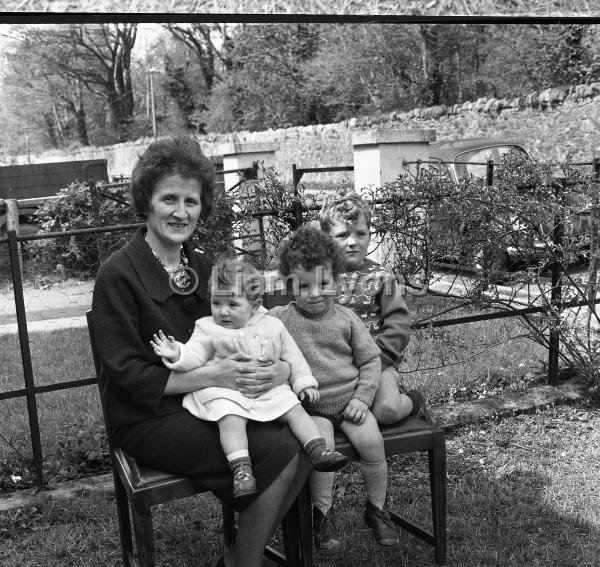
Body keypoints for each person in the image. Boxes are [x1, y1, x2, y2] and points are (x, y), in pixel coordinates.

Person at [92, 135, 311, 567]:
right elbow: (127, 378)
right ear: (147, 202)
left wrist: (282, 371)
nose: (180, 212)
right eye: (168, 198)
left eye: (190, 201)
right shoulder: (117, 274)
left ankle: (239, 556)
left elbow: (258, 328)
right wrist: (216, 376)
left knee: (308, 436)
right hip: (148, 415)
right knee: (280, 448)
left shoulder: (206, 267)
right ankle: (245, 562)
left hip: (221, 400)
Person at [151, 259, 349, 499]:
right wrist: (178, 353)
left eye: (233, 304)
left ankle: (318, 449)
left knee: (294, 409)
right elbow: (196, 353)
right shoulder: (207, 327)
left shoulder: (273, 326)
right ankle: (241, 470)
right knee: (230, 418)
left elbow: (293, 355)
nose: (222, 311)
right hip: (227, 391)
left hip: (268, 389)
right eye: (216, 303)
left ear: (254, 306)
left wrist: (304, 382)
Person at [269, 226, 401, 550]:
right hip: (312, 407)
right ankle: (322, 516)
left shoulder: (348, 318)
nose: (314, 293)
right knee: (321, 447)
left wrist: (362, 398)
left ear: (337, 281)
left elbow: (371, 362)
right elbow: (255, 332)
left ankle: (377, 510)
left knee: (371, 441)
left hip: (349, 400)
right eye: (303, 285)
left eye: (323, 283)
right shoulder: (281, 320)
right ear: (289, 285)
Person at [314, 187, 429, 550]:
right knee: (330, 429)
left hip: (376, 362)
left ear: (370, 234)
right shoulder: (317, 277)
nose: (352, 242)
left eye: (360, 233)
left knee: (387, 409)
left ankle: (414, 400)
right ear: (325, 238)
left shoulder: (381, 276)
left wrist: (374, 364)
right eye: (342, 235)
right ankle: (321, 513)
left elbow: (397, 326)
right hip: (330, 369)